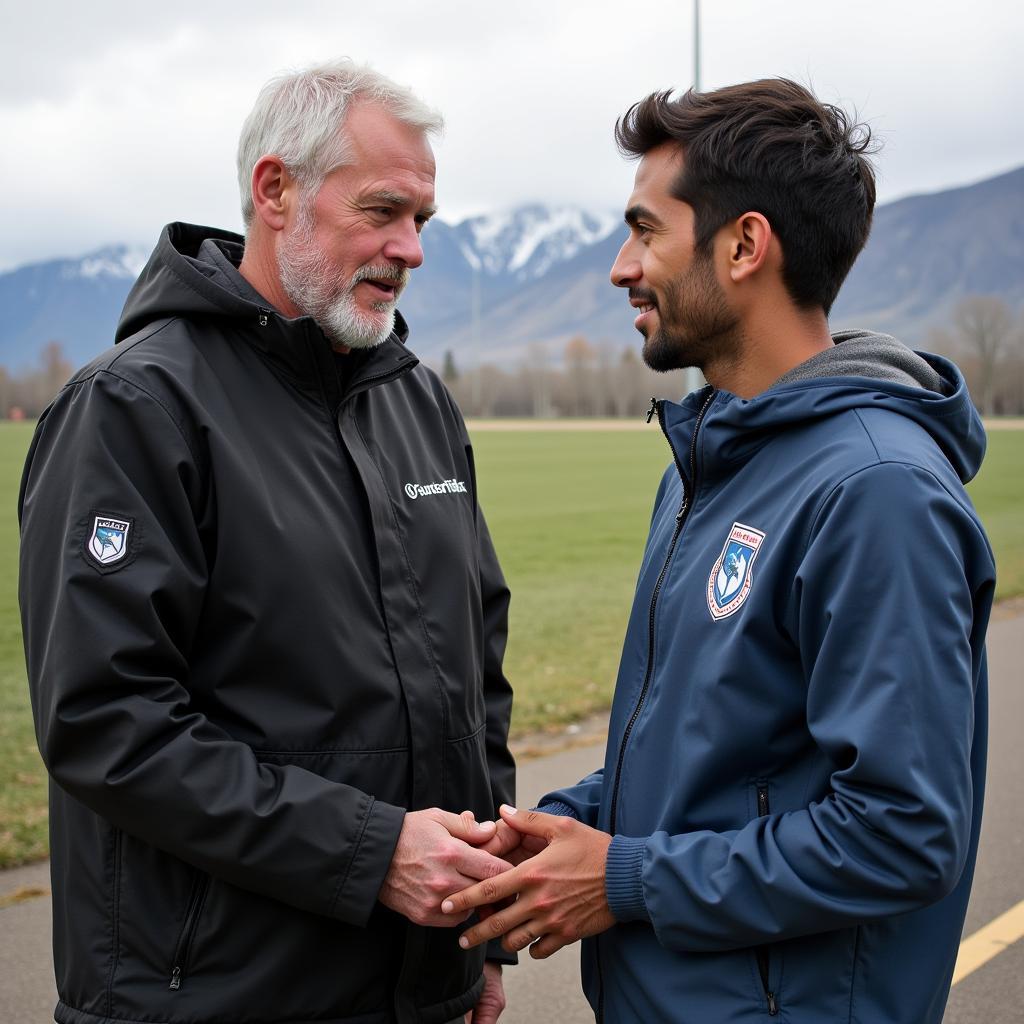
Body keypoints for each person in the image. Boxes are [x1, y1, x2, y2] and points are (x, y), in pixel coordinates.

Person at [444, 79, 995, 1024]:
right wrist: (562, 834)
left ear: (744, 245)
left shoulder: (876, 492)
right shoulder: (709, 463)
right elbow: (708, 760)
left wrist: (623, 880)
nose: (621, 268)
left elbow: (904, 834)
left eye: (645, 231)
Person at [19, 60, 515, 1024]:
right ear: (275, 190)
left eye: (424, 220)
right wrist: (372, 854)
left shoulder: (415, 399)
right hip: (214, 993)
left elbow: (474, 674)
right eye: (383, 211)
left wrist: (479, 931)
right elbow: (106, 721)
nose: (410, 249)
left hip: (417, 987)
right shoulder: (135, 409)